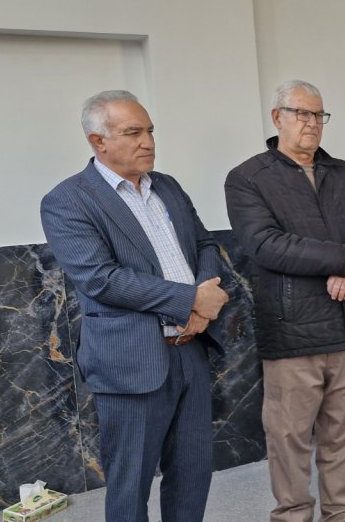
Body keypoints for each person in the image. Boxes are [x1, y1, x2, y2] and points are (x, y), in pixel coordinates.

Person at [40, 90, 230, 522]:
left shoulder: (167, 186)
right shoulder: (68, 200)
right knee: (131, 486)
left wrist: (202, 302)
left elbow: (204, 244)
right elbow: (100, 278)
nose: (148, 142)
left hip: (191, 349)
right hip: (131, 361)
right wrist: (190, 300)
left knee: (193, 475)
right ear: (98, 141)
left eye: (150, 131)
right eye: (133, 133)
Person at [224, 80, 345, 522]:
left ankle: (342, 513)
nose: (311, 123)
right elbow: (265, 243)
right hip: (293, 331)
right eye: (301, 113)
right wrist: (341, 260)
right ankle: (294, 514)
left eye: (318, 114)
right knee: (289, 437)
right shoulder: (248, 178)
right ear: (277, 118)